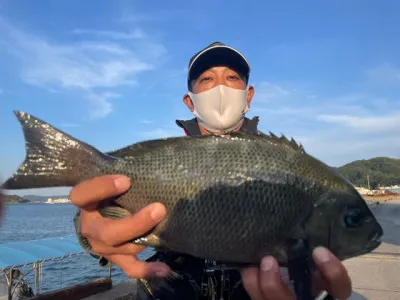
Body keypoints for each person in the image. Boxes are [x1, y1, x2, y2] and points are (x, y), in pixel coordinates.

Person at [71, 42, 352, 300]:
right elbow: (103, 206)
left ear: (248, 95)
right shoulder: (165, 162)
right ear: (190, 102)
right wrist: (90, 229)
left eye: (232, 78)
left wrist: (309, 288)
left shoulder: (285, 163)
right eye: (206, 79)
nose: (221, 88)